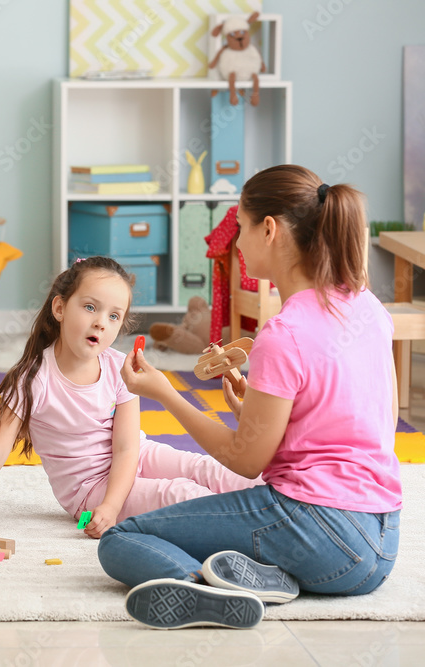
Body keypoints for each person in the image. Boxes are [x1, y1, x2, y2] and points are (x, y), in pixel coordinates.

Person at [102, 165, 402, 630]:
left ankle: (204, 590)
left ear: (269, 229)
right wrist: (259, 413)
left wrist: (166, 392)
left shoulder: (284, 333)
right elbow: (365, 423)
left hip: (318, 531)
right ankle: (270, 576)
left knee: (123, 539)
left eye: (240, 227)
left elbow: (244, 461)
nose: (237, 242)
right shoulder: (368, 306)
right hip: (381, 546)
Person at [0, 256, 258, 543]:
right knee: (178, 494)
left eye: (113, 316)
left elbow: (127, 449)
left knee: (204, 468)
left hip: (136, 457)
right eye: (90, 307)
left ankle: (281, 499)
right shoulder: (31, 379)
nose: (100, 323)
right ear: (60, 308)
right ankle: (256, 530)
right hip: (89, 491)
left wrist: (115, 501)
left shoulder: (118, 368)